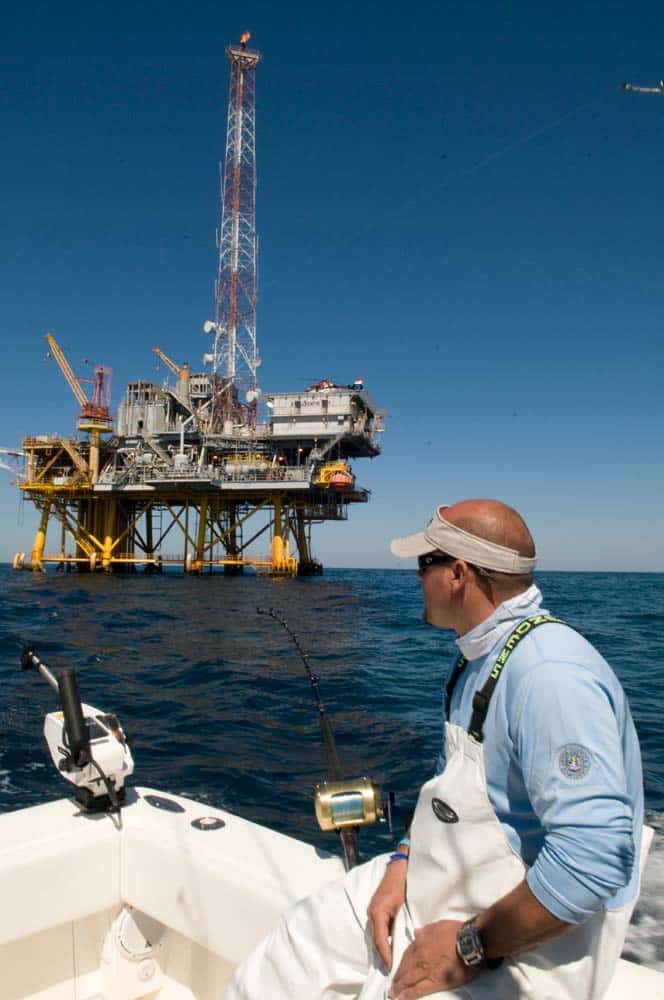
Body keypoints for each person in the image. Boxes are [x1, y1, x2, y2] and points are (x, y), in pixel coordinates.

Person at [225, 499, 644, 1000]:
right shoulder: (479, 656)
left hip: (523, 938)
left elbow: (594, 859)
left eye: (425, 564)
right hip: (439, 882)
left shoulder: (551, 676)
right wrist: (402, 860)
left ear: (459, 575)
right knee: (293, 947)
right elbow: (450, 783)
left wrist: (471, 945)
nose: (415, 577)